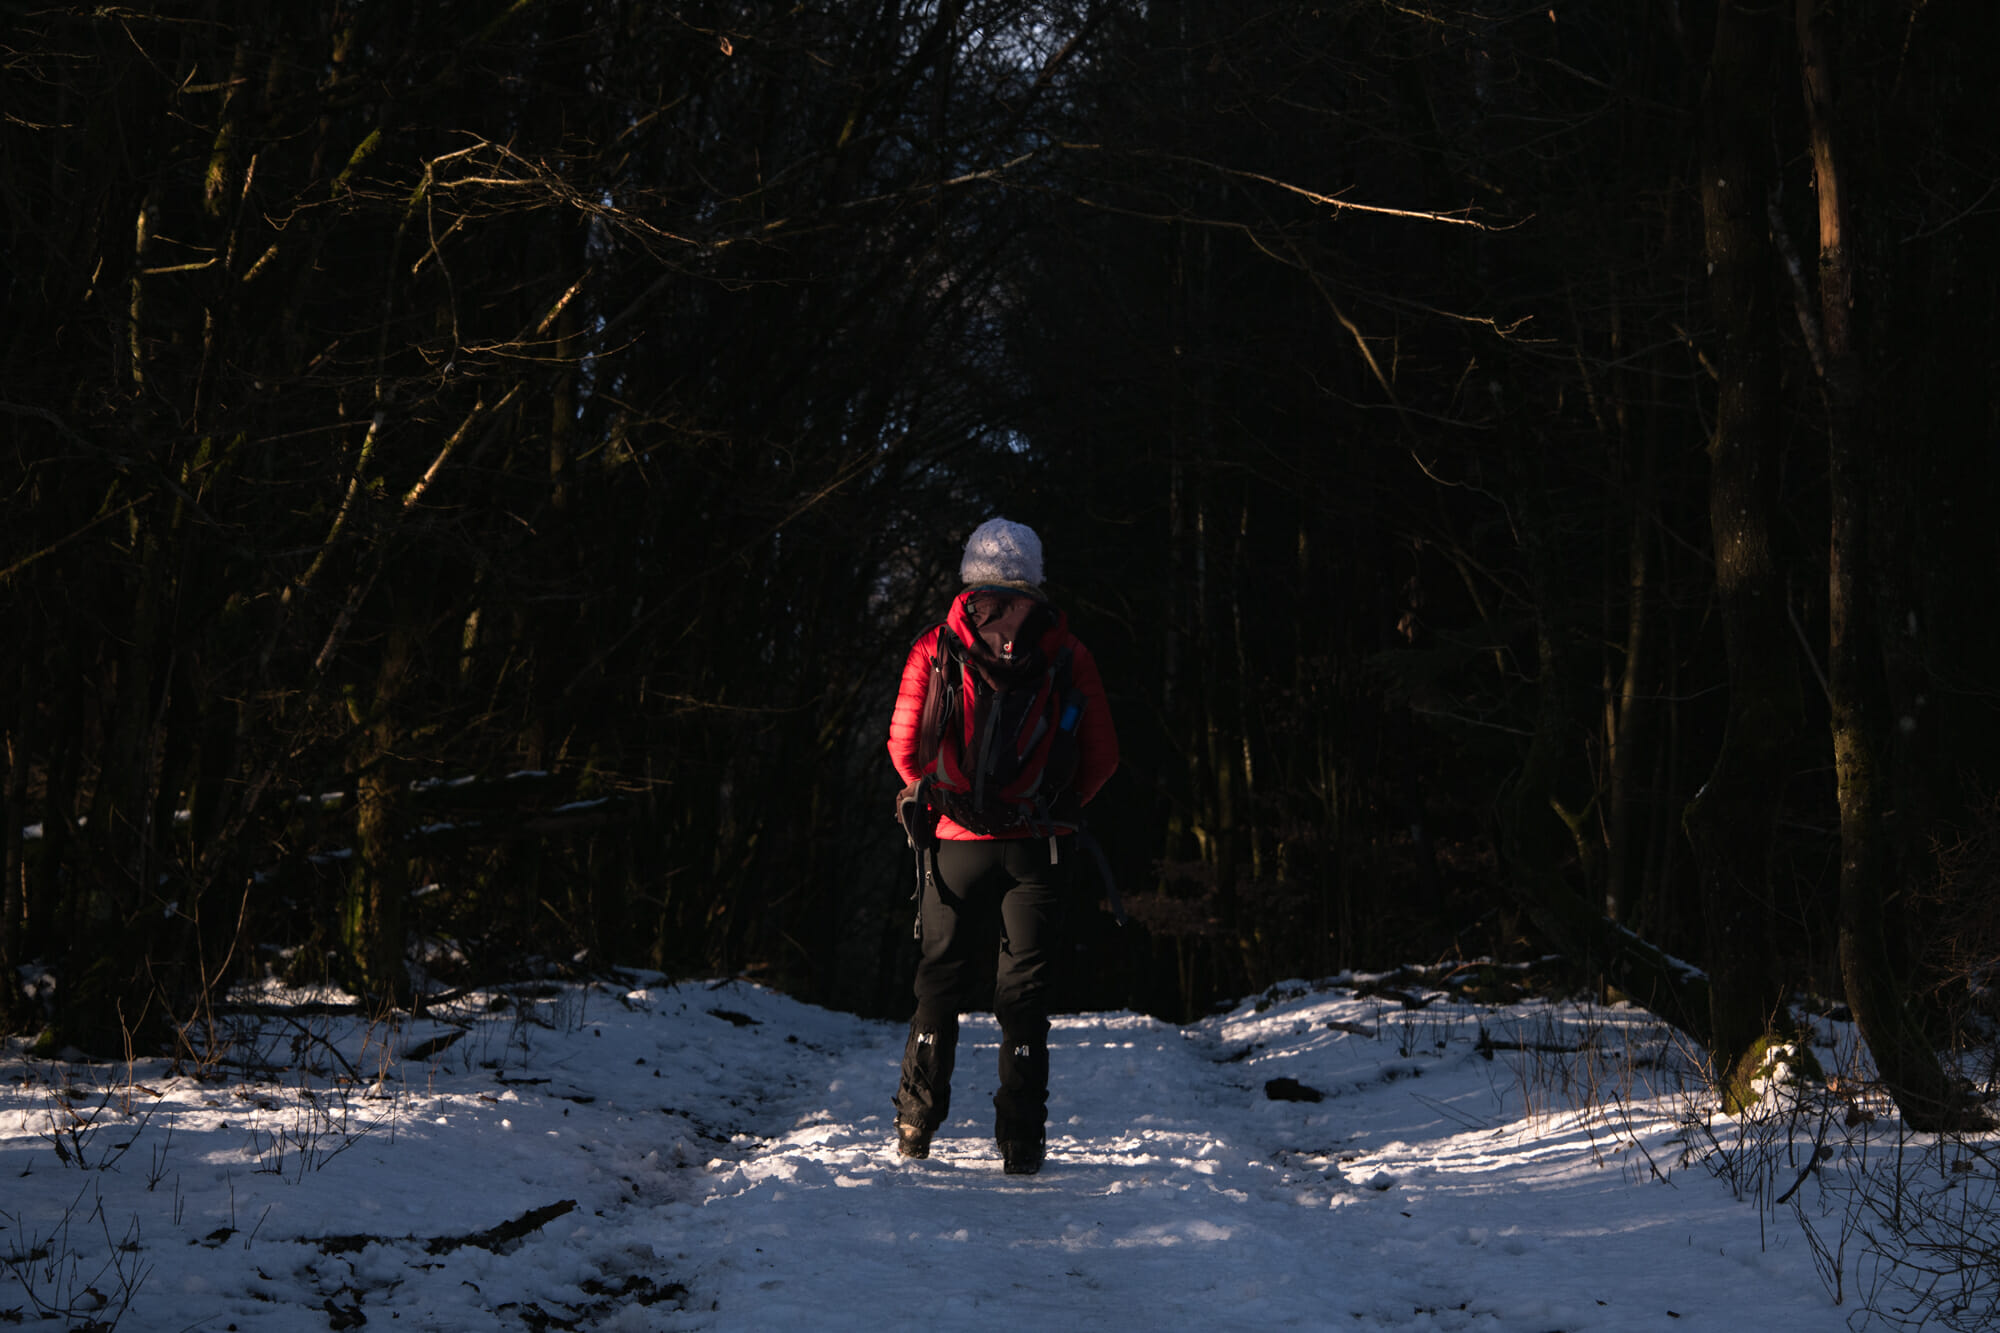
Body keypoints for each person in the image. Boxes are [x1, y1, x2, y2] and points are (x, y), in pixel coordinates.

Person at [886, 517, 1119, 1175]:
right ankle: (1020, 1139)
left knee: (939, 977)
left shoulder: (936, 644)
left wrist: (932, 796)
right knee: (1024, 991)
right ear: (1033, 576)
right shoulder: (1067, 651)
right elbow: (1102, 755)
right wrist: (1055, 807)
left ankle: (914, 1122)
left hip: (952, 844)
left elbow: (904, 743)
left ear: (970, 575)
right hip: (1037, 845)